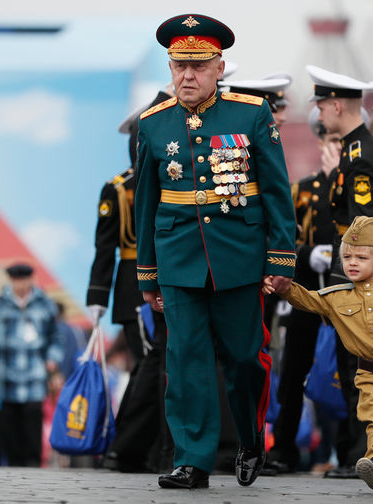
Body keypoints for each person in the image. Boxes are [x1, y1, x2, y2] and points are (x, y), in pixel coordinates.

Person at [135, 13, 296, 489]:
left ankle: (249, 437)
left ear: (219, 68)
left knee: (246, 358)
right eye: (179, 65)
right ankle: (193, 458)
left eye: (199, 66)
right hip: (178, 262)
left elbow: (275, 193)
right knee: (185, 360)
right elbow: (145, 204)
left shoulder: (251, 114)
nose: (187, 75)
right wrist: (148, 275)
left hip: (238, 259)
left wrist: (280, 258)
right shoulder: (152, 124)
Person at [265, 216, 373, 493]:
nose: (352, 262)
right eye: (347, 256)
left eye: (361, 257)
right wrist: (284, 287)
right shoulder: (337, 296)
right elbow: (308, 299)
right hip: (368, 372)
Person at [307, 65, 373, 478]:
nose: (320, 114)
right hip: (350, 268)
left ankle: (363, 453)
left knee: (358, 368)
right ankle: (353, 453)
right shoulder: (354, 150)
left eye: (322, 105)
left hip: (355, 271)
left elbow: (364, 224)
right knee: (350, 365)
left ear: (337, 105)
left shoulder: (360, 155)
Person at [88, 93, 173, 473]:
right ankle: (130, 447)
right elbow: (105, 247)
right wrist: (97, 297)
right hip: (133, 287)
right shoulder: (119, 189)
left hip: (164, 279)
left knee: (153, 366)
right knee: (149, 364)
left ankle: (141, 447)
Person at [264, 108, 340, 475]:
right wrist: (311, 254)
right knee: (293, 371)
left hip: (345, 293)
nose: (334, 148)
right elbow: (283, 241)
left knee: (350, 373)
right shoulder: (303, 190)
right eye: (330, 141)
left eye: (339, 142)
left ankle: (352, 448)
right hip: (305, 291)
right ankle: (283, 448)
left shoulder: (358, 184)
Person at [0, 263, 62, 467]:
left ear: (31, 280)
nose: (20, 284)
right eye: (16, 280)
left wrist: (52, 358)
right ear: (10, 281)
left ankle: (33, 462)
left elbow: (56, 335)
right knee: (9, 422)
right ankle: (14, 463)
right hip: (6, 373)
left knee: (33, 419)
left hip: (35, 373)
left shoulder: (45, 304)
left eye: (24, 280)